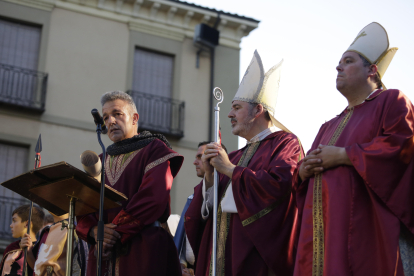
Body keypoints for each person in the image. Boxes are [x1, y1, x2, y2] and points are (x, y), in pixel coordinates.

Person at [293, 22, 414, 276]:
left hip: (367, 234)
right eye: (339, 62)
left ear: (372, 70)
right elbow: (300, 181)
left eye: (348, 61)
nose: (338, 67)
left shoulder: (392, 101)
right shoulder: (329, 125)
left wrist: (344, 155)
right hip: (322, 239)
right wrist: (303, 172)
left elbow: (402, 146)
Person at [185, 51, 303, 276]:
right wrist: (211, 177)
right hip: (221, 255)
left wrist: (229, 169)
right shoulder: (237, 155)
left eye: (237, 108)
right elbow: (213, 208)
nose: (229, 114)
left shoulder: (285, 143)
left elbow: (280, 186)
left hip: (252, 257)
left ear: (258, 109)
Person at [76, 90, 184, 276]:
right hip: (103, 255)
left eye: (117, 114)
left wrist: (114, 232)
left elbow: (153, 198)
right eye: (106, 117)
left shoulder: (155, 149)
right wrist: (94, 231)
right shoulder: (100, 161)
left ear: (134, 118)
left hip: (143, 249)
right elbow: (84, 208)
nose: (110, 121)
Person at [176, 142, 227, 276]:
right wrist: (182, 265)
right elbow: (184, 237)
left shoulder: (226, 194)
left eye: (200, 157)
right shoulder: (193, 197)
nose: (194, 162)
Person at [0, 205, 45, 276]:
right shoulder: (11, 247)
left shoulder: (41, 249)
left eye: (14, 221)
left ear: (27, 224)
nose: (11, 225)